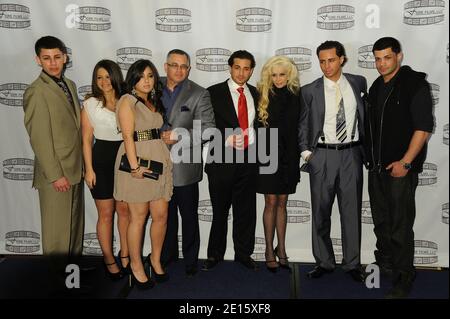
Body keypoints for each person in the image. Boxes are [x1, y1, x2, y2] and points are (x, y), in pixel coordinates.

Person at [366, 37, 434, 298]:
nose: (381, 63)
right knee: (381, 221)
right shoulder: (375, 86)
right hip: (377, 168)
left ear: (399, 56)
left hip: (400, 169)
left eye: (387, 57)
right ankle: (385, 263)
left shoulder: (414, 83)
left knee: (400, 224)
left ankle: (404, 275)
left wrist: (406, 162)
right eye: (378, 58)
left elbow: (423, 127)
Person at [298, 41, 367, 282]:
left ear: (342, 59)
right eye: (322, 61)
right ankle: (324, 262)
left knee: (351, 212)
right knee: (320, 212)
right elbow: (303, 125)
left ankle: (353, 264)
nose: (326, 66)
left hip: (351, 154)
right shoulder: (309, 90)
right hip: (323, 155)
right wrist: (308, 154)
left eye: (331, 60)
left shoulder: (358, 83)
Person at [23, 36, 84, 291]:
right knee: (57, 234)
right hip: (56, 175)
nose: (53, 63)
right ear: (38, 60)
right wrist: (56, 174)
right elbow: (40, 139)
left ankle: (72, 276)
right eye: (46, 58)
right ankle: (58, 284)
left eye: (57, 57)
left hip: (74, 170)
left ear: (65, 57)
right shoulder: (36, 91)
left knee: (73, 229)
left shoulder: (68, 84)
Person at [114, 59, 173, 289]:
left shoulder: (151, 100)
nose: (147, 80)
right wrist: (135, 167)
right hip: (137, 161)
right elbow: (128, 136)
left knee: (161, 215)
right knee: (138, 218)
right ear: (133, 79)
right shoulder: (127, 101)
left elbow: (153, 129)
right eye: (142, 76)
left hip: (157, 160)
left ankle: (155, 260)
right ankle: (136, 266)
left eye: (150, 76)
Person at [202, 50, 260, 271]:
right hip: (221, 160)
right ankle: (214, 255)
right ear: (230, 67)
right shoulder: (213, 93)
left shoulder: (256, 93)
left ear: (251, 70)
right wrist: (225, 138)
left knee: (246, 210)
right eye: (237, 67)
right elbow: (204, 127)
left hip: (249, 160)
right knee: (219, 211)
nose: (241, 72)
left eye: (246, 68)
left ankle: (243, 254)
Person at [160, 49, 215, 277]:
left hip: (185, 167)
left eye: (184, 66)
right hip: (156, 166)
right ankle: (166, 255)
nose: (179, 70)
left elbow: (208, 128)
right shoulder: (150, 87)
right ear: (165, 66)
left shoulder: (199, 93)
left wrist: (178, 135)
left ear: (189, 69)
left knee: (189, 216)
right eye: (175, 65)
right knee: (164, 216)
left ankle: (191, 260)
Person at [81, 60, 130, 281]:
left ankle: (127, 254)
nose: (104, 82)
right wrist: (89, 169)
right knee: (106, 214)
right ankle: (109, 259)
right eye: (99, 77)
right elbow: (86, 140)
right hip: (100, 162)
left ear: (115, 77)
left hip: (125, 162)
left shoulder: (127, 101)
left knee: (125, 213)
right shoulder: (90, 104)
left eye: (107, 76)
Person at [256, 56, 302, 272]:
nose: (278, 79)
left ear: (289, 74)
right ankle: (267, 250)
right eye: (273, 75)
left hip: (289, 155)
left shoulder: (297, 95)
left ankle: (281, 249)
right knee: (270, 203)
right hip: (268, 154)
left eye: (282, 74)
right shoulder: (261, 94)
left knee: (283, 203)